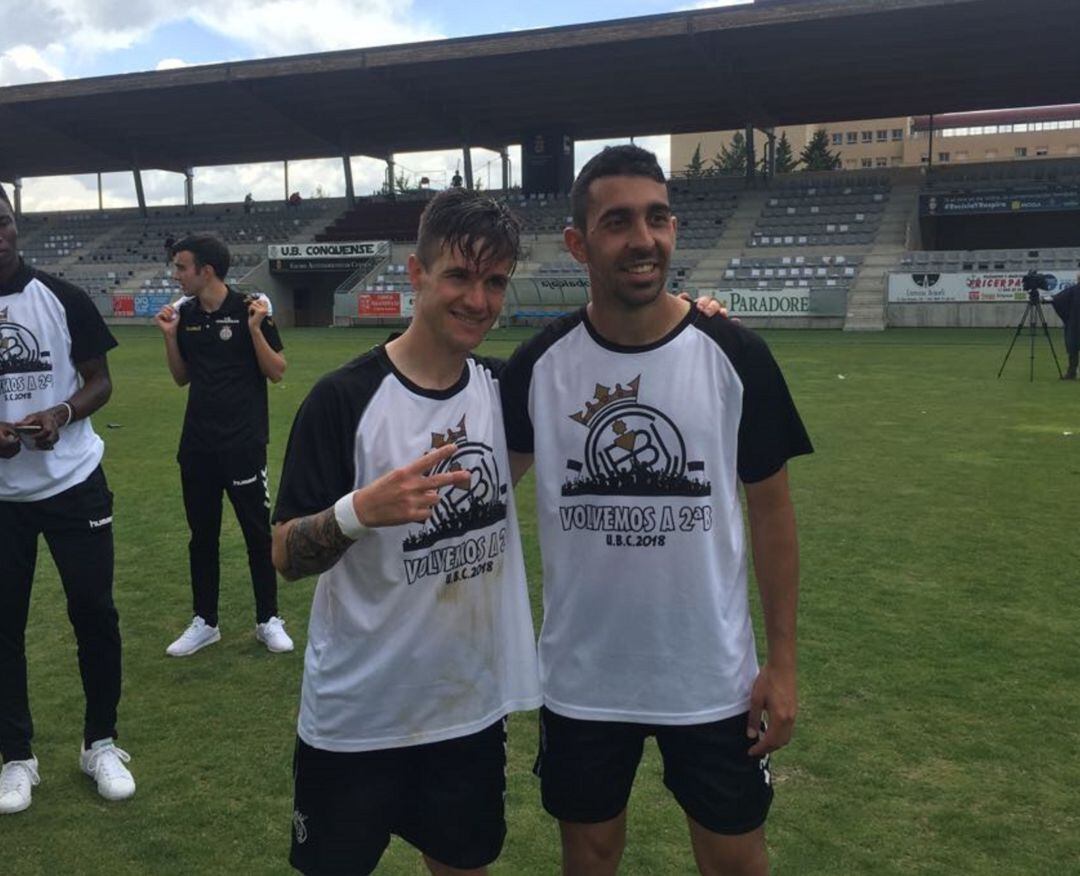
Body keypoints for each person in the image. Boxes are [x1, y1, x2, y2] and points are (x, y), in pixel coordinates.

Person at [499, 145, 813, 876]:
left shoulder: (735, 353)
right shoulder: (539, 366)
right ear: (578, 243)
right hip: (582, 677)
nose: (644, 239)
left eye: (658, 217)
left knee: (736, 857)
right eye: (618, 222)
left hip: (711, 676)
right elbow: (485, 493)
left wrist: (785, 663)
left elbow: (772, 514)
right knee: (591, 854)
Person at [271, 188, 541, 875]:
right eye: (458, 275)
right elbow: (284, 554)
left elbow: (617, 358)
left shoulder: (508, 394)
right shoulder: (344, 399)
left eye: (494, 282)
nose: (478, 300)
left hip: (467, 712)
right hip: (355, 717)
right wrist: (361, 510)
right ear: (416, 275)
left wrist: (701, 318)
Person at [0, 184, 135, 814]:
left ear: (14, 225)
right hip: (2, 497)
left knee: (94, 614)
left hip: (74, 480)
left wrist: (61, 411)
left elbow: (100, 379)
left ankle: (100, 742)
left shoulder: (62, 296)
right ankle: (17, 758)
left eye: (1, 222)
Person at [154, 233, 293, 657]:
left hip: (243, 444)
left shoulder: (251, 308)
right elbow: (182, 378)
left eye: (181, 267)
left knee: (256, 534)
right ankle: (205, 622)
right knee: (203, 536)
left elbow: (277, 371)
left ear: (206, 270)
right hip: (197, 446)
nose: (176, 275)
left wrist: (253, 330)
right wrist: (170, 335)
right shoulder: (187, 314)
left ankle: (268, 619)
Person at [1050, 280, 1080, 379]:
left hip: (1075, 323)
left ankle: (1072, 372)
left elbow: (1057, 300)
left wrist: (1067, 317)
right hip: (1074, 322)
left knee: (1073, 349)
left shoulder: (1073, 290)